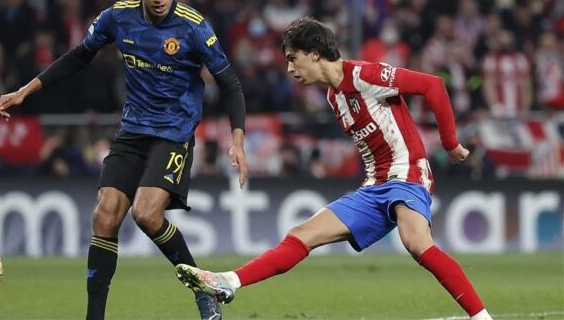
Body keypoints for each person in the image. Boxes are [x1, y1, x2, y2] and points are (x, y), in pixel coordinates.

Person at [175, 17, 493, 320]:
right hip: (373, 186)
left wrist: (450, 143)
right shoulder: (333, 97)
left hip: (407, 174)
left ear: (315, 54)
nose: (289, 68)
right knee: (301, 235)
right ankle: (228, 282)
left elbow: (433, 86)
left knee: (417, 243)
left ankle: (482, 317)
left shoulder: (365, 76)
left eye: (292, 58)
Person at [0, 0, 248, 320]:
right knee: (105, 216)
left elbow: (230, 84)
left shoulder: (194, 27)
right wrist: (24, 91)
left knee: (146, 214)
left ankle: (203, 288)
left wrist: (237, 140)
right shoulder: (118, 17)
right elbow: (78, 56)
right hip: (132, 131)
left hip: (173, 133)